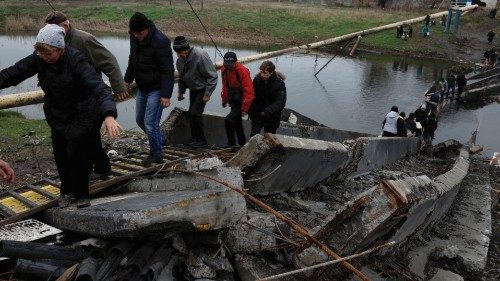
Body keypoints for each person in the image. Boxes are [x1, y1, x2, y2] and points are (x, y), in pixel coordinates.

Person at [0, 24, 121, 208]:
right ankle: (66, 191)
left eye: (49, 53)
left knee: (76, 154)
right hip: (58, 115)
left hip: (82, 114)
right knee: (60, 154)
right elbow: (13, 73)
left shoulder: (76, 61)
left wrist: (109, 115)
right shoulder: (39, 58)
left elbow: (100, 88)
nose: (44, 57)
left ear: (60, 49)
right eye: (41, 53)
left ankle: (82, 195)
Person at [45, 11, 129, 179]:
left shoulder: (83, 40)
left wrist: (119, 87)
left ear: (65, 27)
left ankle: (99, 169)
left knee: (88, 137)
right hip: (71, 102)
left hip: (90, 98)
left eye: (54, 30)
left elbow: (108, 61)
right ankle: (95, 169)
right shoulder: (54, 43)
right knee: (85, 138)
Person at [124, 12, 175, 164]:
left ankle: (157, 155)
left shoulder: (161, 41)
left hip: (157, 89)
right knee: (140, 120)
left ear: (146, 29)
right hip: (142, 87)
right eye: (133, 33)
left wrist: (166, 95)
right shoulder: (135, 38)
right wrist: (127, 80)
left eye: (139, 32)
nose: (136, 35)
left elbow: (168, 70)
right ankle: (161, 139)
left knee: (150, 123)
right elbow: (132, 59)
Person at [173, 36, 218, 148]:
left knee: (195, 114)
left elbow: (213, 76)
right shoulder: (180, 60)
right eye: (178, 53)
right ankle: (195, 138)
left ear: (185, 50)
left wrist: (207, 93)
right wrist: (181, 91)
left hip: (203, 89)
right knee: (191, 114)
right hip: (193, 89)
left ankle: (202, 141)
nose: (179, 56)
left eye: (180, 53)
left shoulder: (200, 56)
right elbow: (182, 77)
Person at [220, 52, 254, 147]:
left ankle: (231, 143)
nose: (228, 67)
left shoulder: (242, 71)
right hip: (233, 100)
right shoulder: (224, 69)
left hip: (242, 101)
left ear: (236, 62)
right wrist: (224, 100)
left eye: (230, 65)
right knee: (237, 123)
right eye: (226, 65)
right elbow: (225, 87)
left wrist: (245, 109)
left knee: (228, 120)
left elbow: (249, 92)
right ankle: (242, 144)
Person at [249, 61, 287, 137]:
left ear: (271, 72)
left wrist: (267, 111)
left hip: (272, 116)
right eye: (261, 72)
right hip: (258, 114)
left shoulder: (279, 84)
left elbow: (281, 102)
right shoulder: (257, 80)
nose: (262, 75)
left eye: (265, 73)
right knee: (253, 135)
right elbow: (252, 96)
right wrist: (251, 110)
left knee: (269, 138)